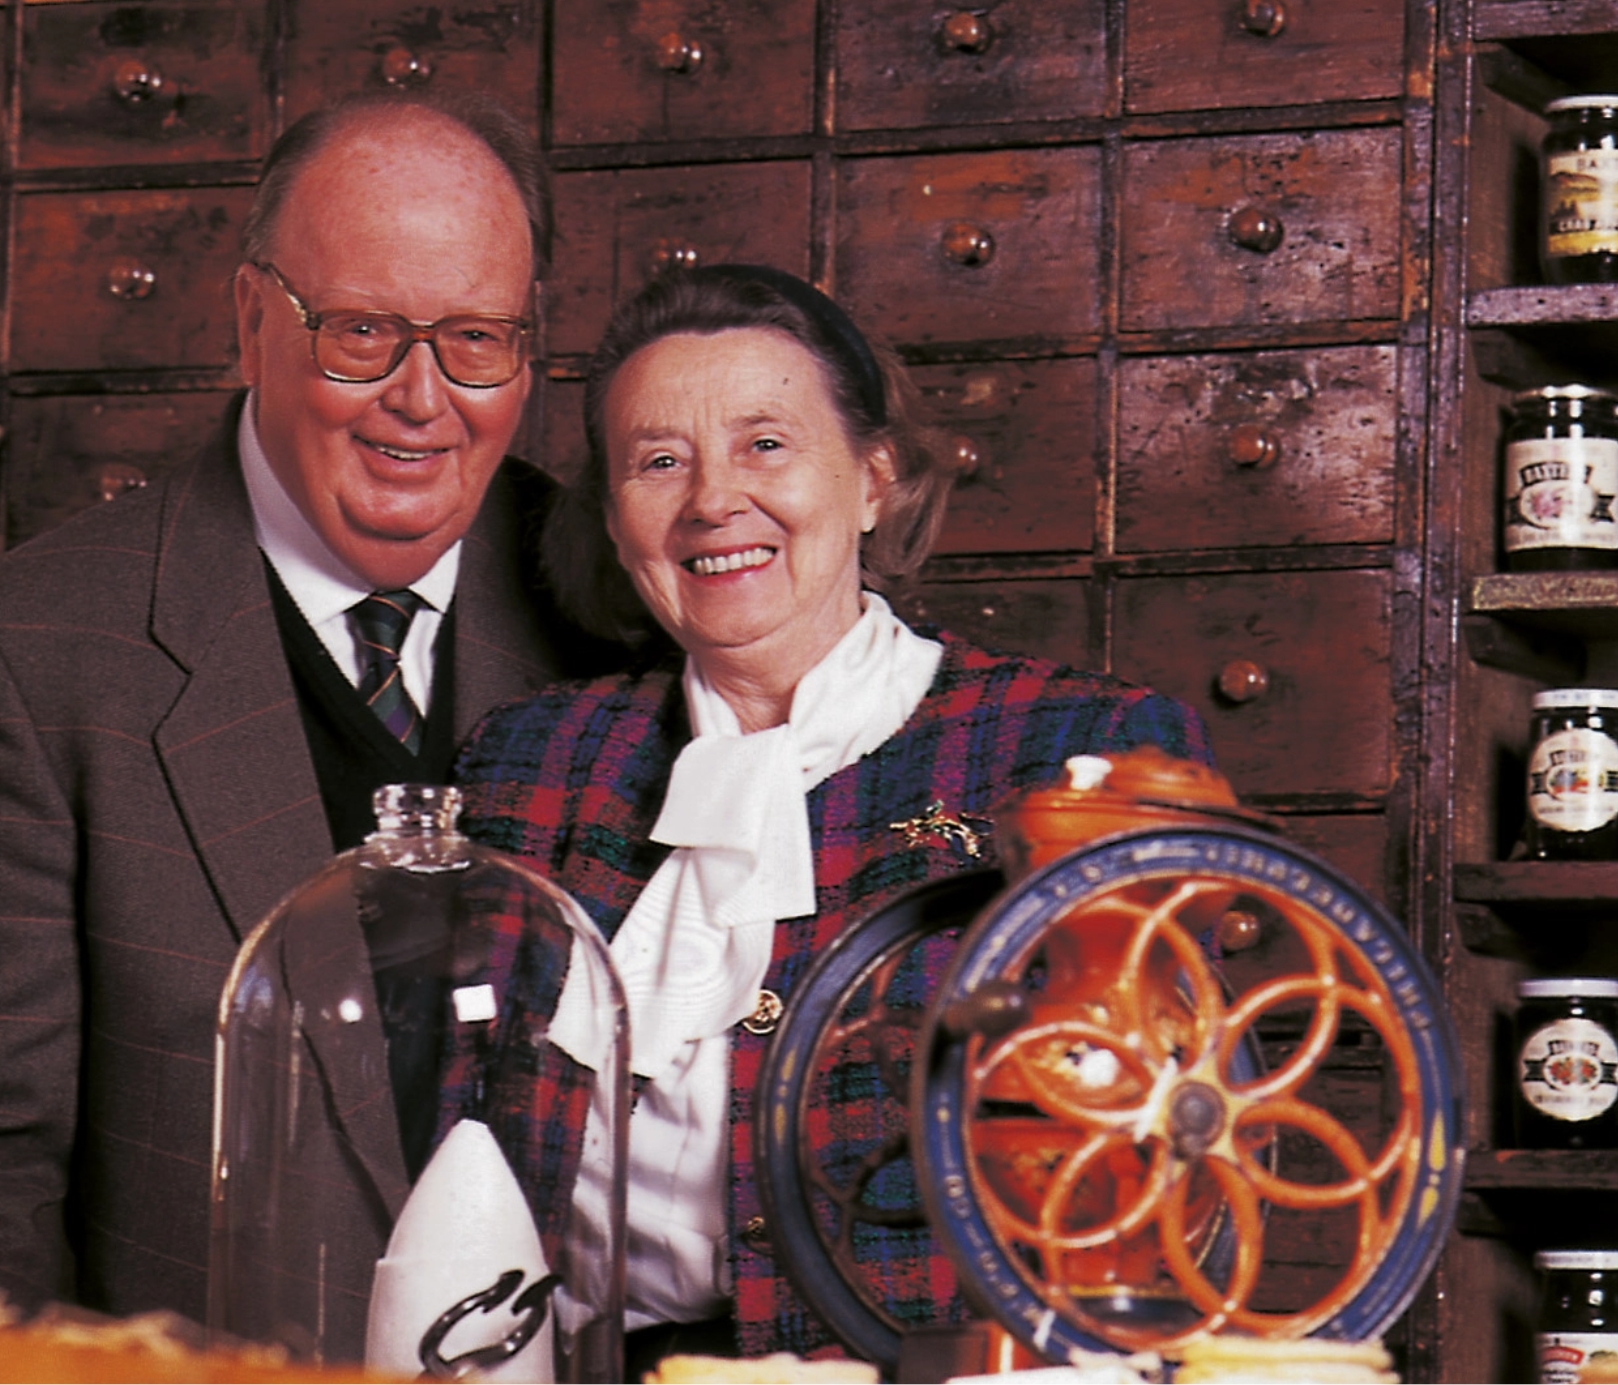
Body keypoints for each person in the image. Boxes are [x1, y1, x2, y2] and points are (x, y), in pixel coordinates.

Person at [451, 263, 1213, 1369]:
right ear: (617, 523)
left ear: (872, 479)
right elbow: (437, 1144)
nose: (713, 500)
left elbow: (1178, 1176)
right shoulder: (529, 765)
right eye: (659, 461)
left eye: (765, 444)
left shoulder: (1079, 753)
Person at [0, 90, 619, 1346]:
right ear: (249, 322)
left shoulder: (614, 601)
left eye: (476, 341)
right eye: (361, 332)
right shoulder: (40, 648)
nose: (420, 398)